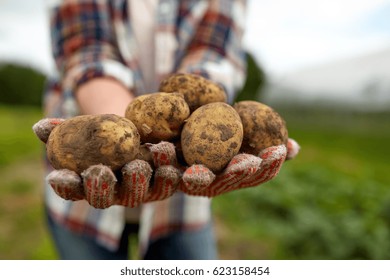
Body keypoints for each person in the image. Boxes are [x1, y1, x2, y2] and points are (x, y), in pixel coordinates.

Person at [43, 0, 248, 260]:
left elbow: (212, 53)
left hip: (182, 199)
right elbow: (85, 49)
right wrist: (125, 130)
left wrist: (196, 111)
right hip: (82, 201)